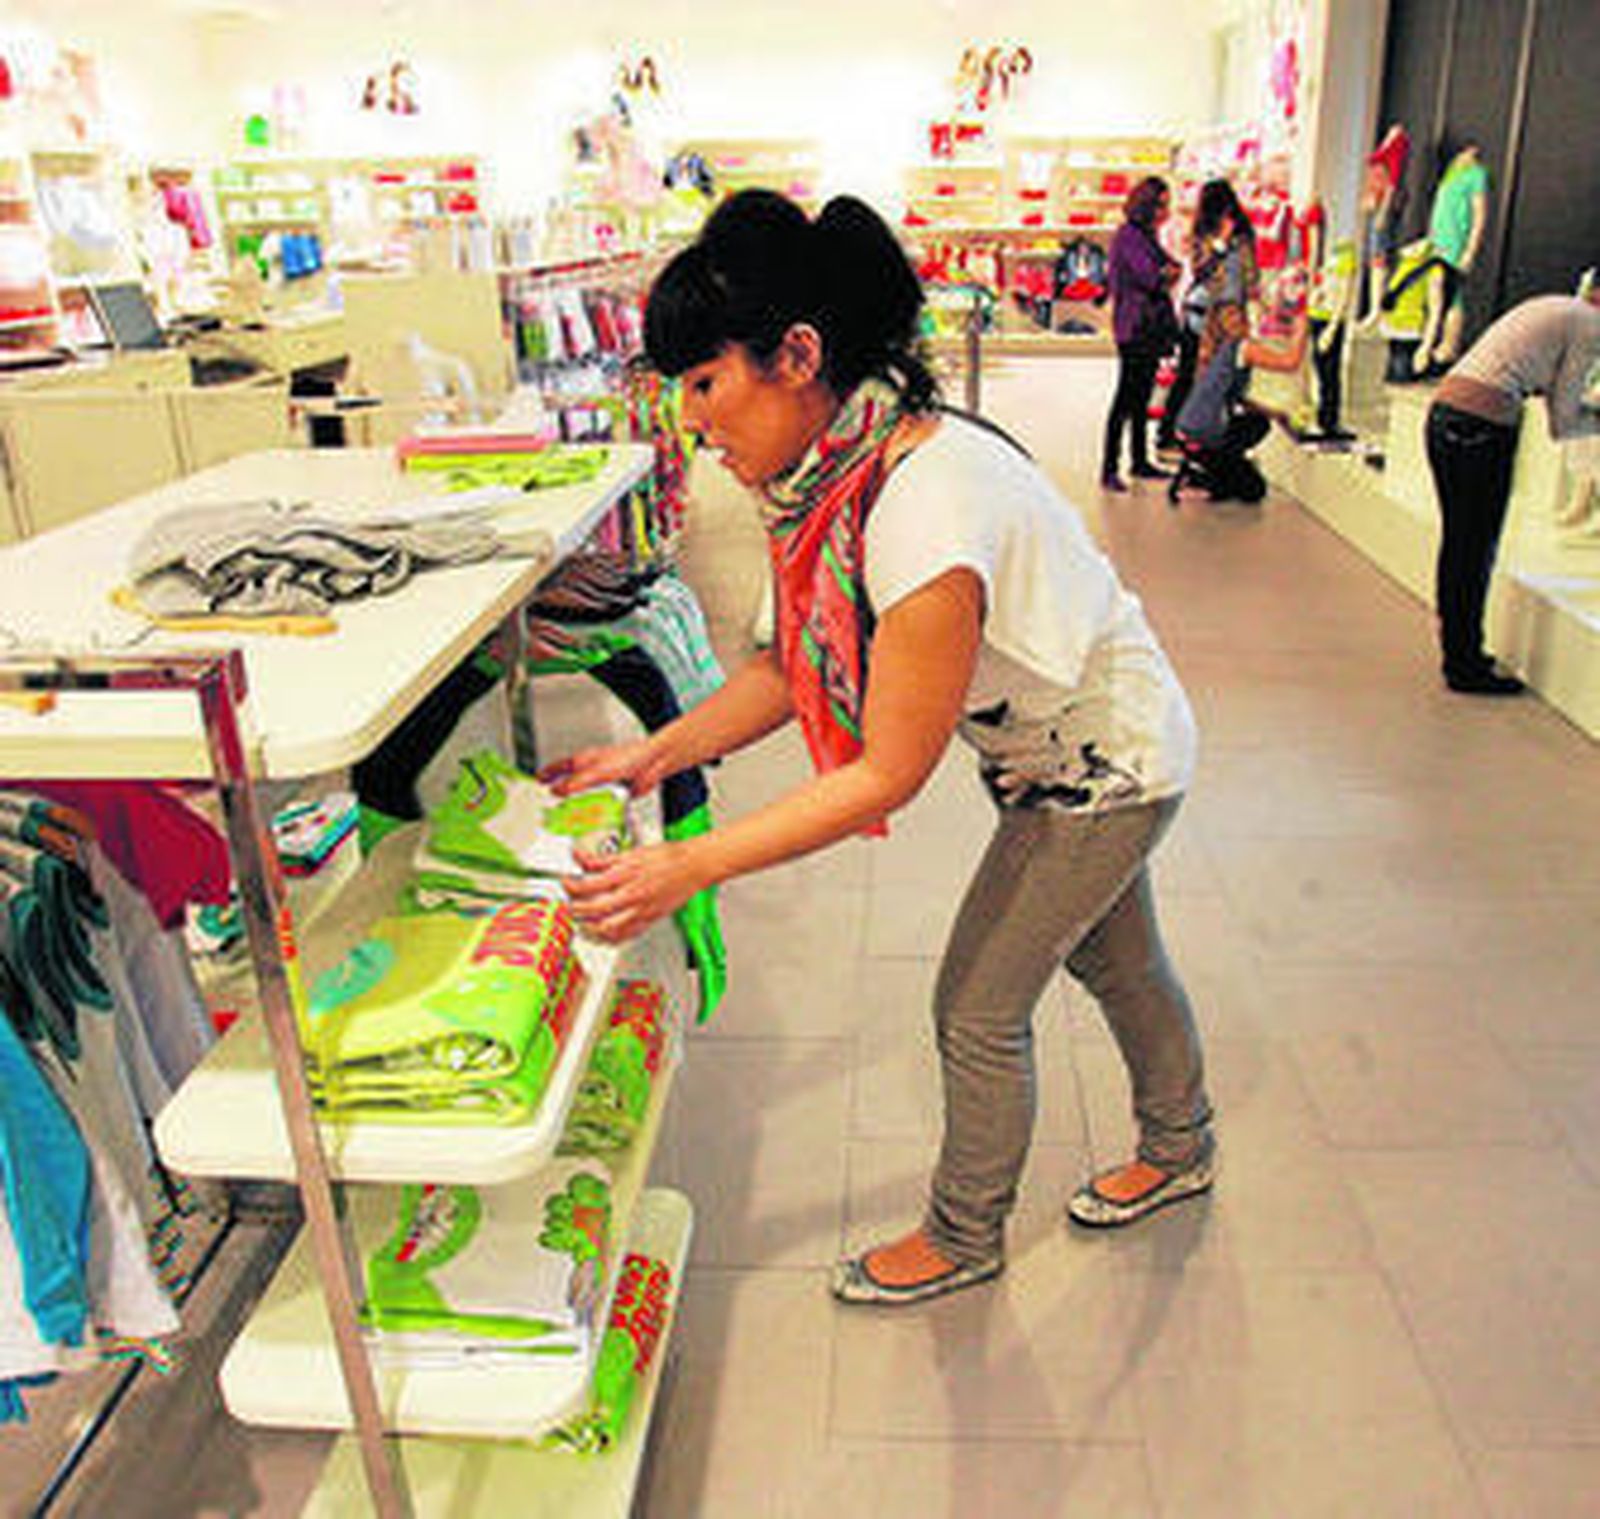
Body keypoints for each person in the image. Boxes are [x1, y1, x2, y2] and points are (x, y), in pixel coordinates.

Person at [546, 189, 1215, 1307]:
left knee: (976, 1007)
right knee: (1115, 959)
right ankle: (1182, 1142)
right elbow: (785, 671)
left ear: (797, 357)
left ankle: (965, 1233)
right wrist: (652, 756)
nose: (693, 423)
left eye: (705, 383)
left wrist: (687, 865)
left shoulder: (922, 509)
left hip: (1105, 771)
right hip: (1059, 752)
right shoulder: (835, 480)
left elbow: (885, 772)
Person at [1426, 289, 1600, 695]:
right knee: (1473, 550)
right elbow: (1563, 422)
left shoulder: (1562, 308)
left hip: (1447, 417)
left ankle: (1460, 651)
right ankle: (1464, 664)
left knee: (1460, 545)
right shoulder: (1589, 327)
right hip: (1480, 429)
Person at [1100, 177, 1180, 492]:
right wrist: (1166, 274)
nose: (1166, 212)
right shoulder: (1130, 236)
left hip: (1145, 327)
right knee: (1126, 397)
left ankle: (1139, 460)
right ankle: (1109, 467)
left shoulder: (1145, 236)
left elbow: (1169, 268)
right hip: (1135, 327)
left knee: (1141, 397)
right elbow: (1152, 277)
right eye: (1162, 205)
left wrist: (1167, 272)